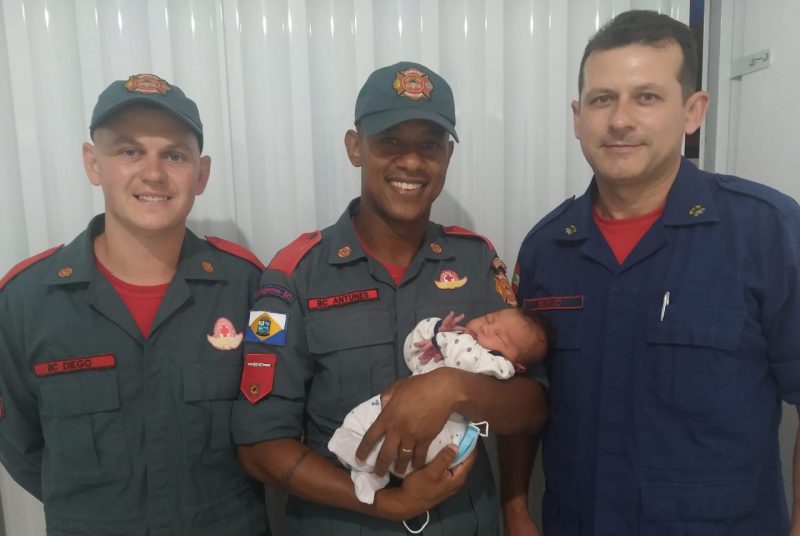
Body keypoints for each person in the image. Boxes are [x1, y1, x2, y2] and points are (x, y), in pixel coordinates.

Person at [506, 9, 800, 536]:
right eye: (602, 99)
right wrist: (515, 510)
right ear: (578, 117)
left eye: (647, 97)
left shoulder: (767, 233)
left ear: (692, 111)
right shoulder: (547, 249)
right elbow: (524, 398)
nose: (620, 120)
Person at [231, 61, 547, 535]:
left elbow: (533, 408)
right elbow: (259, 444)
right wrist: (389, 504)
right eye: (390, 142)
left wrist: (456, 388)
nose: (412, 162)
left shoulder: (476, 262)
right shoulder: (296, 273)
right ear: (355, 148)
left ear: (448, 156)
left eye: (429, 144)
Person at [0, 74, 269, 535]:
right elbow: (21, 448)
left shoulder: (246, 287)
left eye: (174, 154)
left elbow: (271, 431)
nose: (153, 173)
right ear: (93, 163)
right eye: (129, 151)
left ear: (200, 174)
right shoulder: (27, 300)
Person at [329, 308, 549, 505]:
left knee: (396, 445)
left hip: (445, 434)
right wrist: (435, 330)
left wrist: (444, 339)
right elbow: (413, 355)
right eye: (489, 318)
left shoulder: (499, 367)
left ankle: (362, 460)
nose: (485, 327)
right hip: (403, 409)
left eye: (499, 335)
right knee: (366, 416)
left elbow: (464, 359)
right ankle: (369, 474)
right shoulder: (454, 343)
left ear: (517, 365)